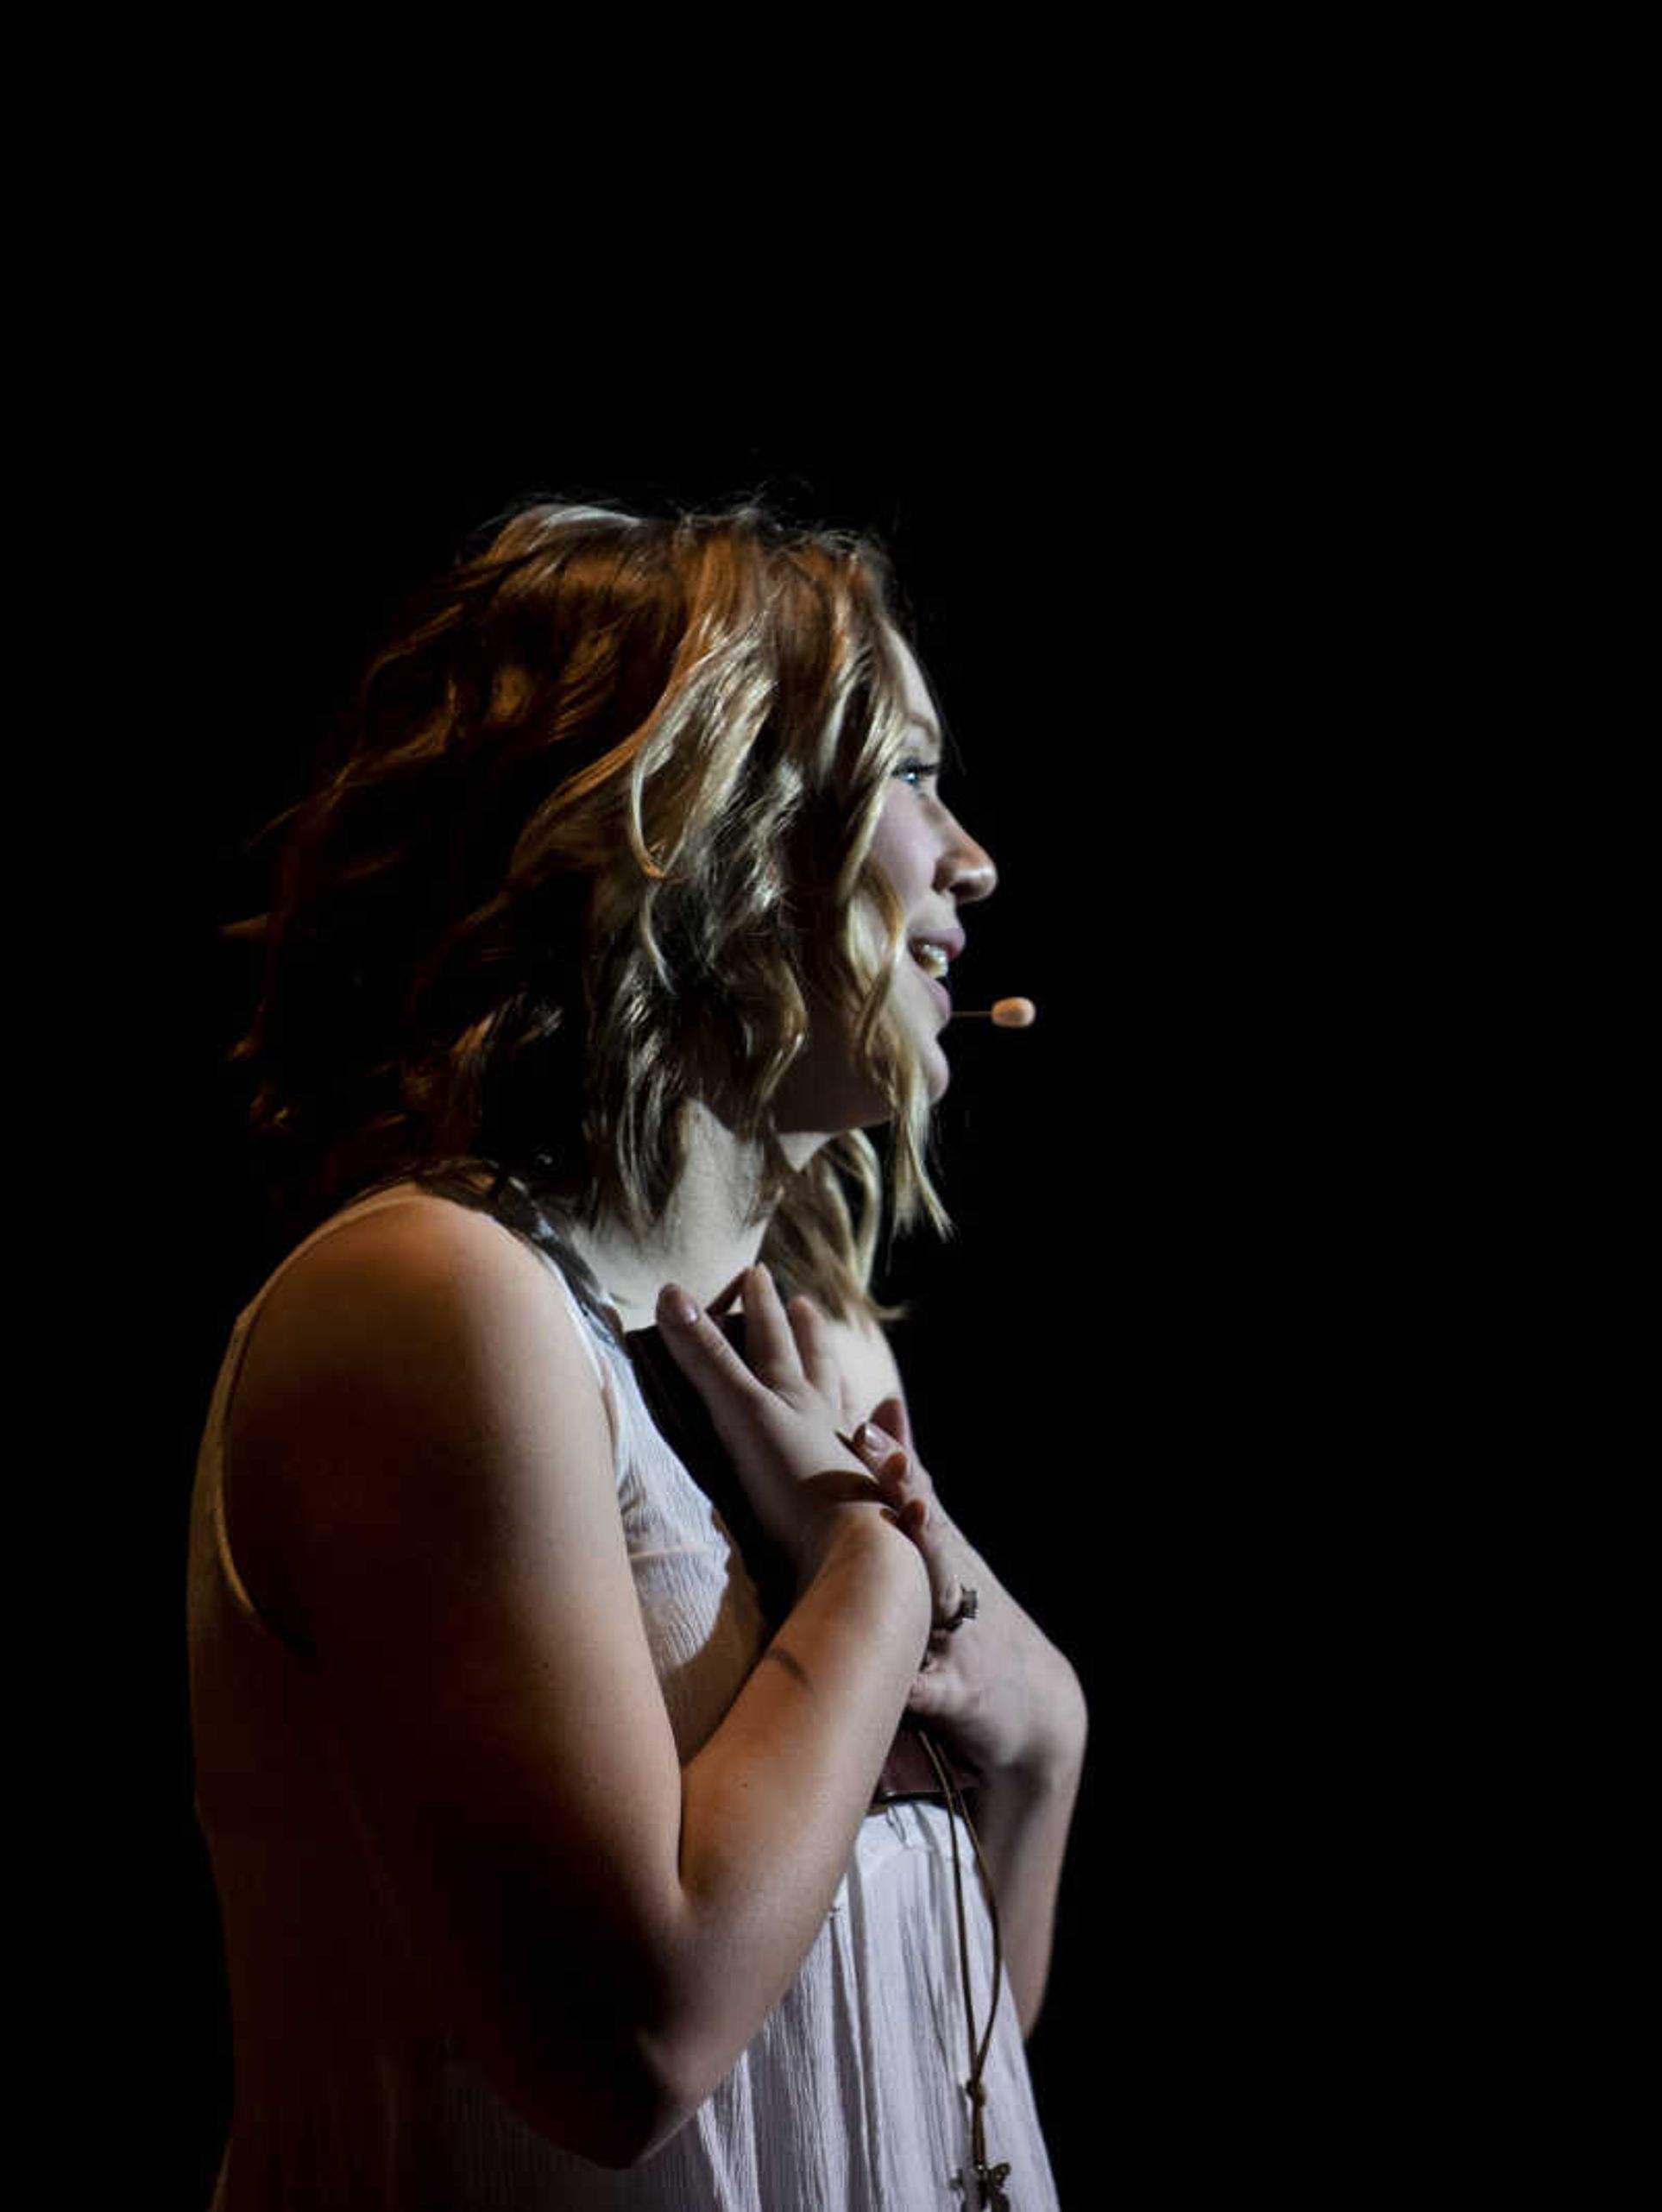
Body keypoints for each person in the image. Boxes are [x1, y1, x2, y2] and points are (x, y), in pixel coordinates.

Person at [188, 499, 1086, 2209]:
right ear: (705, 830)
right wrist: (881, 1587)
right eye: (905, 773)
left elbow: (909, 2062)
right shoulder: (427, 1301)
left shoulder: (817, 1373)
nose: (970, 858)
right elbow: (637, 2048)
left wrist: (1042, 1742)